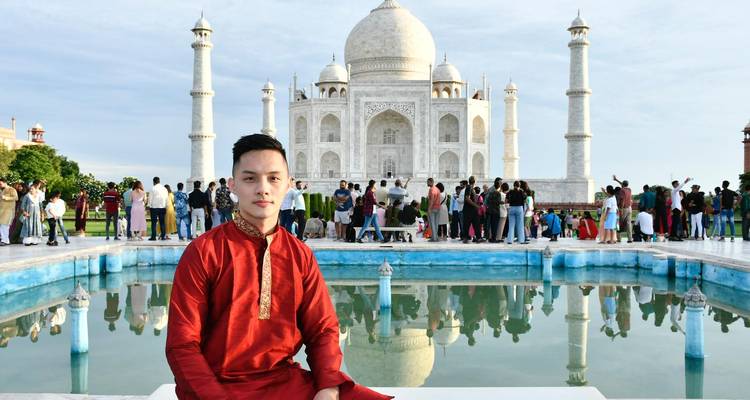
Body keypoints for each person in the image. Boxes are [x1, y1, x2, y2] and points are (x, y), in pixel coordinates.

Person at [166, 134, 390, 400]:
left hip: (283, 382)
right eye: (250, 179)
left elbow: (323, 330)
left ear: (287, 184)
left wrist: (327, 388)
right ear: (233, 185)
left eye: (273, 178)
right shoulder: (204, 252)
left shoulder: (299, 255)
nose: (263, 188)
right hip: (216, 387)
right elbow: (182, 345)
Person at [462, 176, 484, 243]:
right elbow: (467, 198)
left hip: (472, 210)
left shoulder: (471, 188)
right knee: (467, 224)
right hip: (469, 210)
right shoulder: (469, 187)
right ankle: (466, 238)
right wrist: (476, 206)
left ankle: (478, 238)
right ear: (474, 181)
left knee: (476, 224)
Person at [613, 175, 633, 243]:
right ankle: (630, 239)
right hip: (629, 208)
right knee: (628, 224)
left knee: (618, 223)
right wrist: (616, 180)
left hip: (623, 208)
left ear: (622, 185)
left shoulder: (622, 190)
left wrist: (620, 209)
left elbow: (622, 200)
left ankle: (618, 238)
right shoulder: (629, 190)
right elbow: (623, 184)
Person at [0, 178, 18, 246]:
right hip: (2, 211)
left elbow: (16, 198)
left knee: (4, 225)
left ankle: (4, 240)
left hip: (8, 211)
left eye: (1, 184)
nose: (0, 185)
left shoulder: (11, 189)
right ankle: (5, 240)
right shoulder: (1, 190)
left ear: (5, 183)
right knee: (2, 225)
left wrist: (6, 198)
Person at [485, 178, 503, 243]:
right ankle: (493, 238)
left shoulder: (496, 189)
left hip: (493, 209)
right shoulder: (492, 190)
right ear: (497, 182)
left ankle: (492, 238)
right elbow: (487, 200)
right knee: (494, 225)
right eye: (500, 182)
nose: (501, 183)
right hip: (493, 210)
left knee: (493, 225)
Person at [426, 178, 441, 243]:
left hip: (432, 208)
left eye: (428, 182)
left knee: (432, 223)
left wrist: (429, 209)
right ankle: (435, 237)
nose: (427, 183)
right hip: (438, 208)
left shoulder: (431, 190)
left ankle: (434, 238)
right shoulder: (437, 189)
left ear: (431, 182)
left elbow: (432, 200)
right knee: (436, 223)